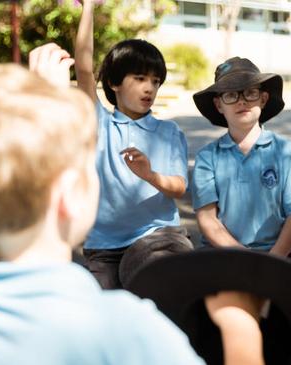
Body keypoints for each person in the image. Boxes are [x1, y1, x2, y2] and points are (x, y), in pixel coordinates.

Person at [0, 43, 264, 365]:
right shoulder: (126, 327)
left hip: (151, 238)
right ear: (71, 194)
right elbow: (86, 69)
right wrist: (240, 329)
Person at [74, 0, 193, 289]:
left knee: (161, 290)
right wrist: (88, 7)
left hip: (158, 237)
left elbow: (179, 187)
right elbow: (84, 68)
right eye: (139, 78)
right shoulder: (98, 122)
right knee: (102, 313)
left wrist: (149, 175)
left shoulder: (168, 131)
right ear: (114, 83)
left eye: (155, 81)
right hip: (103, 247)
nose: (149, 88)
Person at [190, 57, 291, 257]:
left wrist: (274, 258)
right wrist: (247, 260)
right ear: (218, 105)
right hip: (222, 255)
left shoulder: (286, 151)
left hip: (278, 254)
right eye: (231, 95)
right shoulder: (207, 157)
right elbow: (208, 219)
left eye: (250, 93)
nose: (242, 101)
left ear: (263, 99)